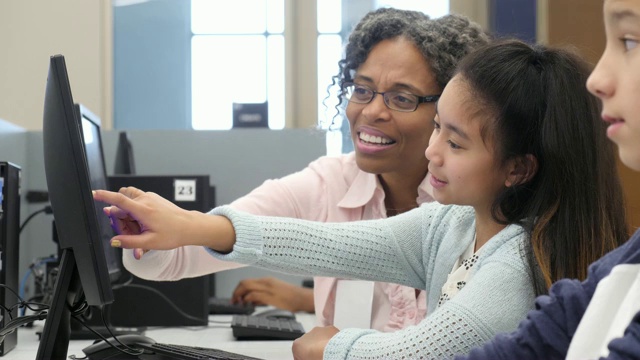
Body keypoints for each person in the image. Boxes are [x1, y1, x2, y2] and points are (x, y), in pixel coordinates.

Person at [94, 37, 628, 359]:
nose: (434, 152)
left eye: (455, 141)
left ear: (518, 168)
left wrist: (330, 345)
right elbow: (322, 243)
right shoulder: (451, 225)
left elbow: (418, 354)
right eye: (437, 129)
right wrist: (190, 226)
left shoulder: (510, 265)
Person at [120, 8, 491, 332]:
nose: (372, 111)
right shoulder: (327, 184)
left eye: (402, 98)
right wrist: (145, 236)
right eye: (362, 90)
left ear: (447, 111)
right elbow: (178, 259)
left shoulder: (476, 204)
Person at [453, 1, 640, 359]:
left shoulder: (513, 260)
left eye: (629, 41)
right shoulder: (625, 262)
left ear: (518, 169)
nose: (597, 79)